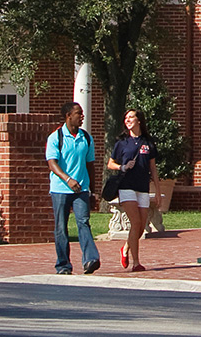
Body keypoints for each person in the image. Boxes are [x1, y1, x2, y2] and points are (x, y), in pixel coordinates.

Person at [47, 102, 99, 275]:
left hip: (81, 190)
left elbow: (90, 164)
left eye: (82, 113)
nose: (81, 116)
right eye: (78, 113)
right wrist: (67, 179)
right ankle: (63, 265)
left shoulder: (86, 137)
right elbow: (52, 163)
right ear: (68, 115)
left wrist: (93, 190)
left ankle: (90, 259)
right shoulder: (56, 137)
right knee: (61, 227)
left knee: (83, 222)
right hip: (60, 189)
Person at [110, 109, 157, 272]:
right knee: (135, 223)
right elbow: (110, 163)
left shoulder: (148, 142)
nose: (127, 120)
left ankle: (125, 248)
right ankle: (136, 263)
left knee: (141, 226)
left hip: (143, 187)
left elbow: (153, 167)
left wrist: (157, 191)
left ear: (139, 120)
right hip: (126, 186)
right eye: (126, 117)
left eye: (131, 117)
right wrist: (122, 166)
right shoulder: (122, 142)